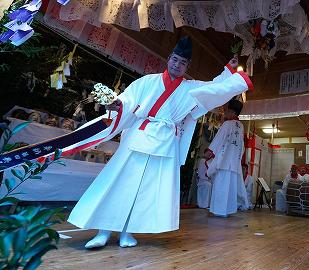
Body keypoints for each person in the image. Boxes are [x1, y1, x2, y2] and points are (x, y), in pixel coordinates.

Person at [66, 36, 253, 248]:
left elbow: (214, 88)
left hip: (166, 143)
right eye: (175, 59)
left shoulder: (190, 88)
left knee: (146, 190)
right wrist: (119, 103)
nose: (177, 64)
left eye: (183, 62)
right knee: (119, 183)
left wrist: (229, 69)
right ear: (169, 59)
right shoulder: (148, 82)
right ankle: (103, 231)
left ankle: (128, 232)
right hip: (140, 136)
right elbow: (129, 98)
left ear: (187, 66)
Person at [207, 99, 248, 217]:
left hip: (224, 161)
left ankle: (219, 211)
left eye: (226, 111)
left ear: (230, 111)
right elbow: (242, 145)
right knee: (230, 189)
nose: (225, 113)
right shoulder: (240, 126)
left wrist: (210, 151)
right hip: (234, 162)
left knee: (221, 187)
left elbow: (219, 138)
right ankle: (228, 210)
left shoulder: (227, 124)